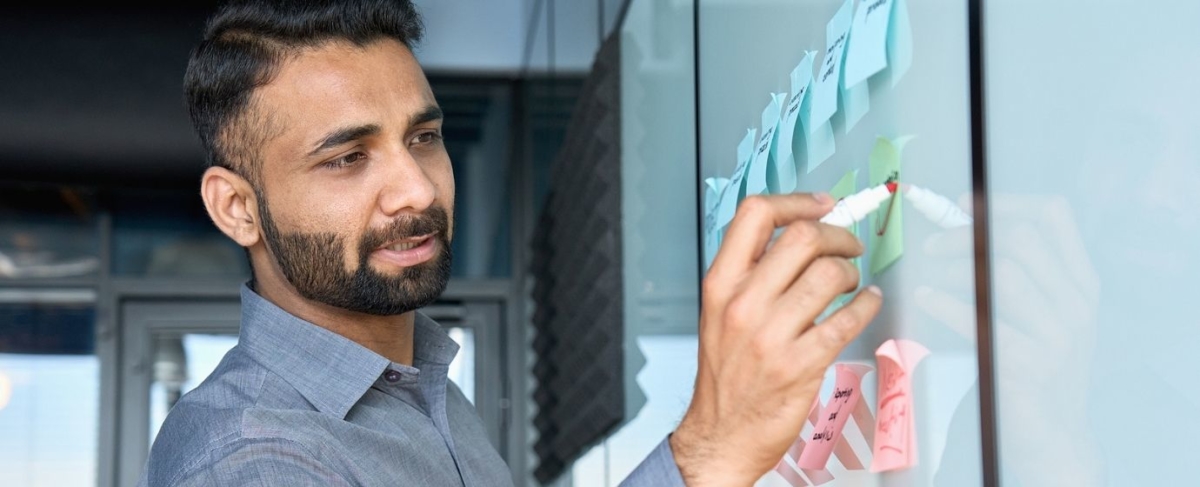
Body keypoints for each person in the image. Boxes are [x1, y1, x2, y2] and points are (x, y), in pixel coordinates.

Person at [139, 1, 882, 485]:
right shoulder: (257, 461)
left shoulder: (416, 382)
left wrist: (709, 449)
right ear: (237, 207)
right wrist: (711, 447)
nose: (419, 189)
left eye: (423, 137)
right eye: (347, 158)